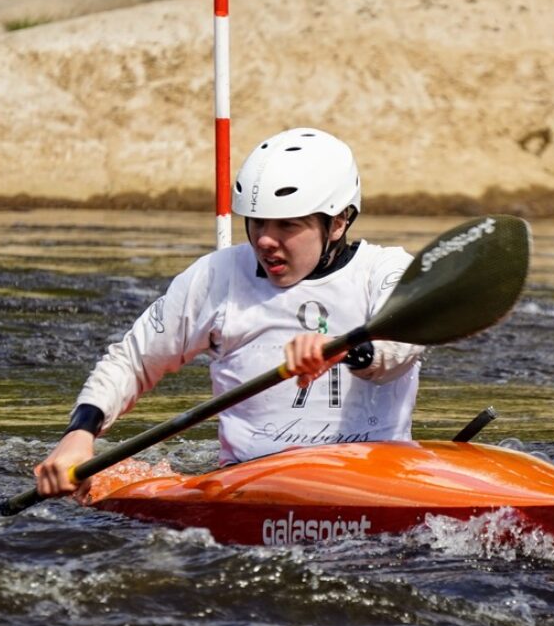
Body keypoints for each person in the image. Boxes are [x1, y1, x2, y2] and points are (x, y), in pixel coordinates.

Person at [34, 127, 422, 497]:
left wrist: (344, 348)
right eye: (256, 222)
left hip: (374, 475)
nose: (265, 240)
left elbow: (404, 342)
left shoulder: (386, 270)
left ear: (337, 223)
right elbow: (132, 360)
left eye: (287, 225)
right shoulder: (216, 275)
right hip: (251, 483)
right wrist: (80, 434)